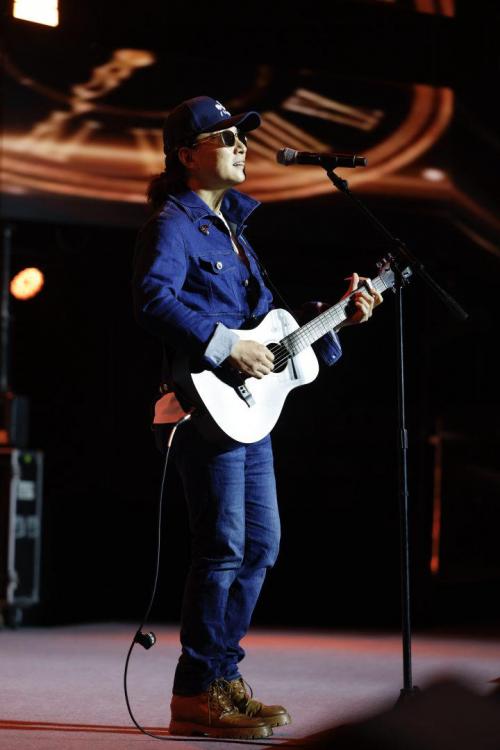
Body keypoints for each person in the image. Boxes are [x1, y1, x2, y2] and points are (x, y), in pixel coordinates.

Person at [132, 95, 382, 739]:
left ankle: (222, 677)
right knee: (222, 548)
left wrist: (339, 320)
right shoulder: (173, 222)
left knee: (260, 546)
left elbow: (274, 335)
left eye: (241, 136)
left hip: (248, 416)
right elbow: (152, 297)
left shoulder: (236, 233)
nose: (241, 145)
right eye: (225, 137)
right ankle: (197, 691)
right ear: (187, 155)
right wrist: (223, 345)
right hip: (203, 410)